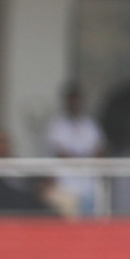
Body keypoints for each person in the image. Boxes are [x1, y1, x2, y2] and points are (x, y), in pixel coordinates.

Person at [45, 82, 103, 213]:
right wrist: (85, 158)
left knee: (89, 228)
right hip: (65, 186)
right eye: (72, 100)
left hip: (88, 186)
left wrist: (79, 158)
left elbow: (100, 151)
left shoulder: (90, 125)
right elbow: (61, 154)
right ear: (66, 101)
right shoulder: (57, 125)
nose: (75, 103)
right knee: (69, 228)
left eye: (78, 100)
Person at [0, 129, 55, 215]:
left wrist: (42, 183)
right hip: (9, 212)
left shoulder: (17, 163)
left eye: (4, 141)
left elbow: (31, 179)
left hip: (33, 207)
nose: (2, 146)